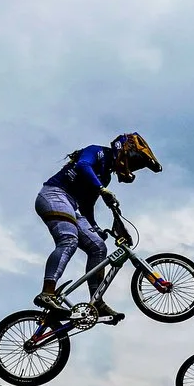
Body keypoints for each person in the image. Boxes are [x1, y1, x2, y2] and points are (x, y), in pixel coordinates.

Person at [33, 132, 162, 316]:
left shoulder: (105, 177)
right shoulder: (96, 152)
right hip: (54, 194)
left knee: (98, 247)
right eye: (133, 161)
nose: (132, 167)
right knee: (69, 239)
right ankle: (47, 292)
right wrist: (102, 190)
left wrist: (96, 228)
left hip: (73, 206)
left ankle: (96, 301)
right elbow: (83, 165)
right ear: (124, 150)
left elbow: (86, 207)